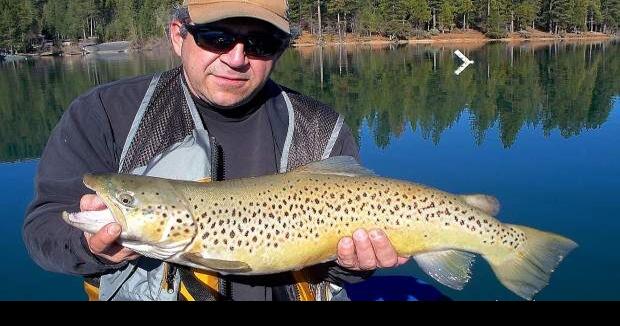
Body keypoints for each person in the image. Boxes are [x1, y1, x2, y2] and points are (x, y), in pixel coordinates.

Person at [23, 0, 409, 301]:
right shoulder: (106, 114)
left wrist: (353, 265)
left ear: (281, 50)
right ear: (178, 36)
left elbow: (338, 272)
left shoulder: (322, 130)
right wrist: (91, 248)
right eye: (216, 37)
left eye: (260, 43)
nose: (237, 57)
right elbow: (44, 229)